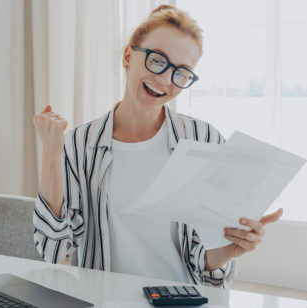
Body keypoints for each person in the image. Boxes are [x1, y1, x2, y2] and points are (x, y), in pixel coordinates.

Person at [32, 4, 282, 288]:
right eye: (157, 60)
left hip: (181, 300)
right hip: (104, 300)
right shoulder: (80, 143)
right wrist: (52, 154)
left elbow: (204, 259)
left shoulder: (204, 139)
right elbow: (53, 250)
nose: (164, 79)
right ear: (129, 56)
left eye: (181, 72)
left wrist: (227, 251)